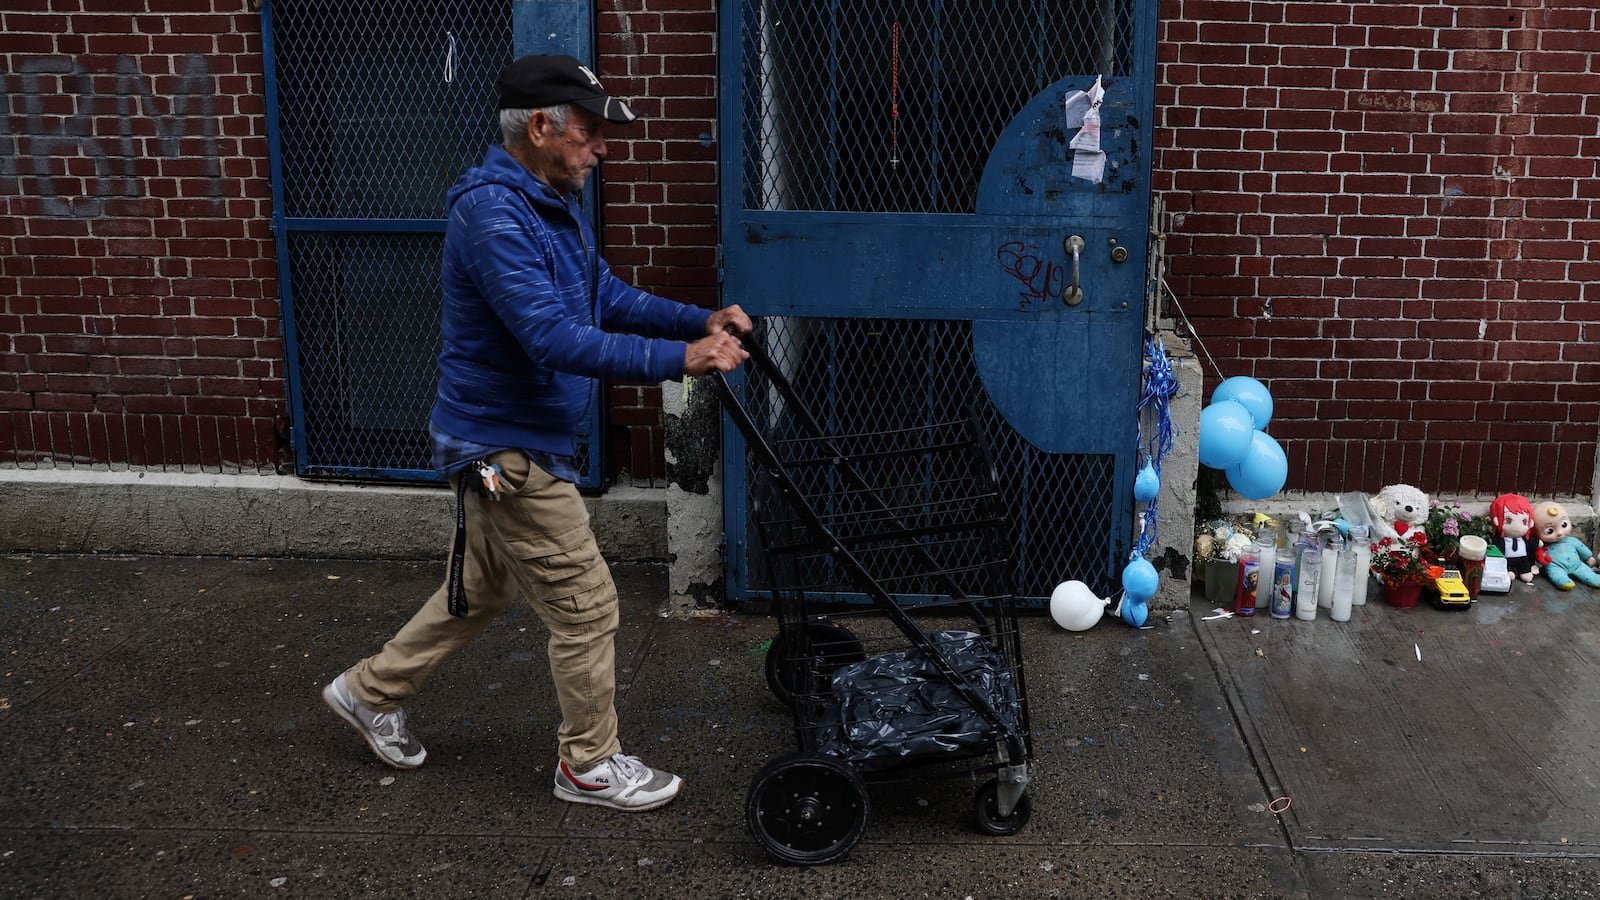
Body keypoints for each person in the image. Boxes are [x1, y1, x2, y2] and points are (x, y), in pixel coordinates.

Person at [321, 54, 751, 813]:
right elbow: (550, 337)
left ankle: (368, 692)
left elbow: (601, 295)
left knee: (480, 588)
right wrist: (681, 359)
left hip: (501, 445)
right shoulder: (495, 214)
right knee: (588, 605)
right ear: (542, 126)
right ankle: (589, 764)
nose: (602, 148)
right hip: (501, 454)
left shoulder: (548, 202)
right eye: (588, 133)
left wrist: (697, 319)